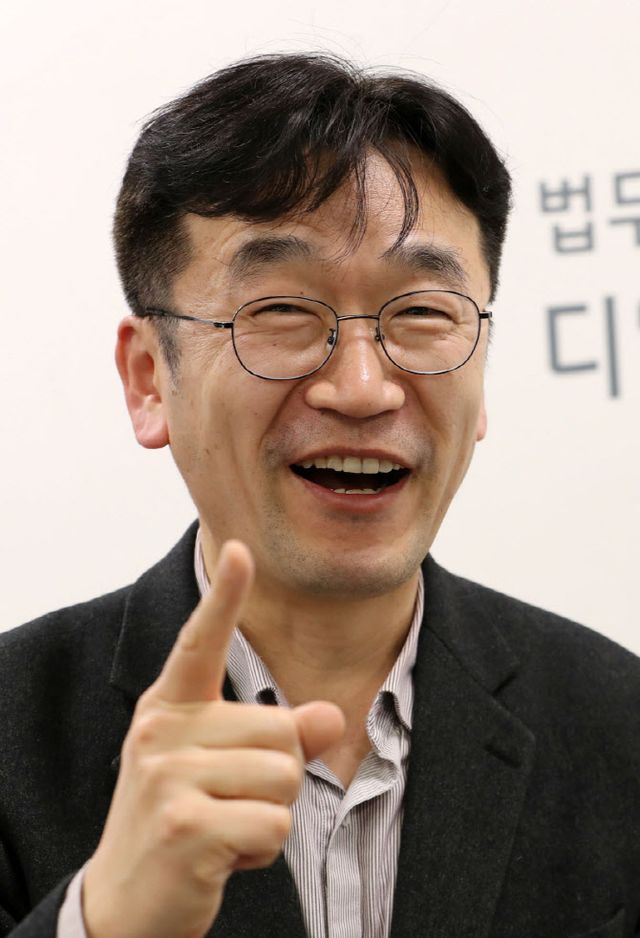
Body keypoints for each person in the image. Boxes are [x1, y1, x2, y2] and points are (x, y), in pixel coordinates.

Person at [1, 52, 638, 938]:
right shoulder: (13, 731)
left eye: (423, 313)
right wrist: (105, 921)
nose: (362, 388)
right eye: (282, 313)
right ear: (149, 378)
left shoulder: (618, 726)